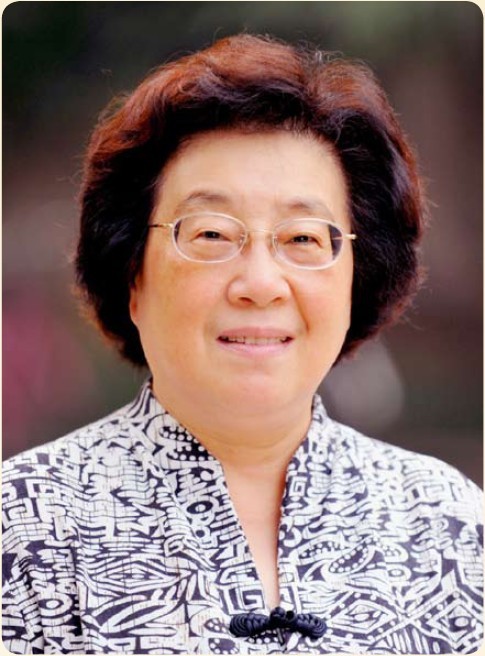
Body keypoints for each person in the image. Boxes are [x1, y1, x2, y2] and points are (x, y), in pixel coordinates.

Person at [2, 34, 482, 655]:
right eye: (210, 234)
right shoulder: (23, 528)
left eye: (303, 239)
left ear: (355, 280)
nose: (260, 284)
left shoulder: (449, 526)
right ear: (133, 277)